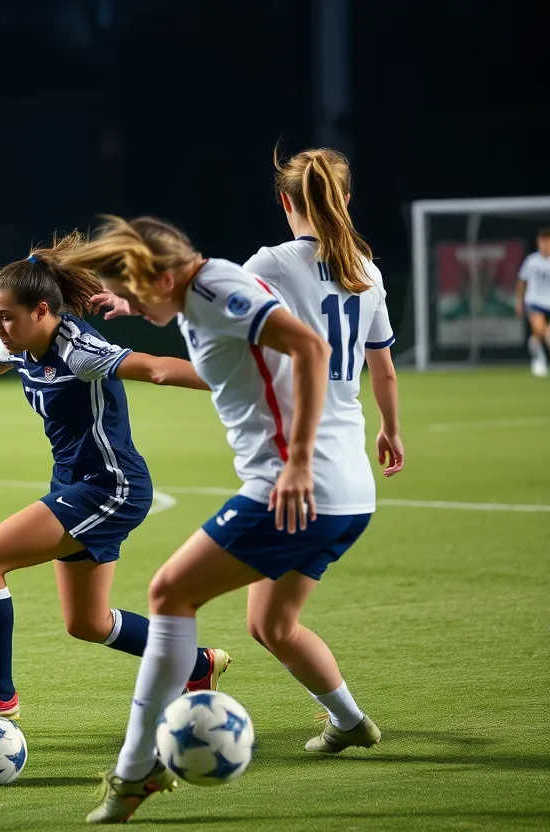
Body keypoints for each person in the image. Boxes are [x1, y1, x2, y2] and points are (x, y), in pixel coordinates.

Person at [73, 201, 399, 823]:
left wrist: (297, 462)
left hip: (296, 490)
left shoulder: (218, 285)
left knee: (169, 591)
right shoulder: (202, 295)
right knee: (272, 624)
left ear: (164, 276)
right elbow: (228, 366)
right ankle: (351, 723)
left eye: (133, 295)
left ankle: (137, 770)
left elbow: (310, 347)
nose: (133, 309)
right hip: (347, 494)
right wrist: (127, 300)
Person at [0, 234, 230, 739]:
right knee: (87, 623)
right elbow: (2, 350)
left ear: (42, 310)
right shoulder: (21, 337)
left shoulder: (80, 351)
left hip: (109, 487)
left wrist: (240, 377)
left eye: (5, 316)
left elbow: (156, 369)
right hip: (76, 482)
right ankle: (196, 664)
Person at [517, 228, 550, 377]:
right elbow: (522, 282)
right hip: (535, 301)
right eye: (542, 241)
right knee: (540, 329)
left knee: (546, 334)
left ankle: (540, 356)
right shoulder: (531, 261)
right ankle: (539, 360)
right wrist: (519, 302)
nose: (545, 245)